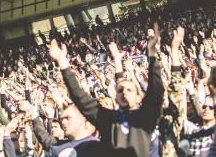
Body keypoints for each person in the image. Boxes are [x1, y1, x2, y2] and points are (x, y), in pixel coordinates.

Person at [49, 23, 164, 157]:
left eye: (129, 90)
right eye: (120, 90)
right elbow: (80, 97)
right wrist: (62, 61)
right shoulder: (108, 120)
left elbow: (156, 88)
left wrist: (152, 53)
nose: (124, 92)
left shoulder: (146, 117)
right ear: (115, 97)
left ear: (139, 97)